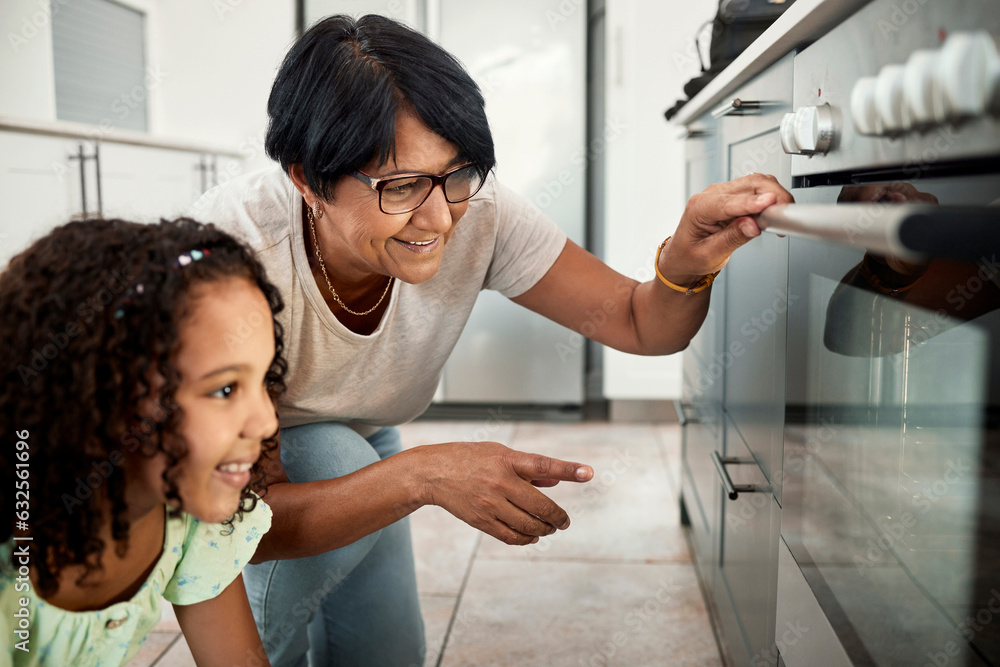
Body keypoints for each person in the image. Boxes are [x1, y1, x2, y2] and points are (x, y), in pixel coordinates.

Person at [192, 13, 793, 667]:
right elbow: (241, 521)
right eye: (399, 186)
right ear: (307, 180)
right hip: (254, 460)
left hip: (370, 432)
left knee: (389, 651)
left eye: (457, 174)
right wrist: (422, 474)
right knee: (325, 478)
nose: (438, 217)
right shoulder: (234, 252)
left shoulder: (477, 209)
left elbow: (640, 322)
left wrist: (684, 262)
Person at [0, 218, 286, 666]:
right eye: (224, 389)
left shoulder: (188, 520)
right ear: (101, 393)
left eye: (263, 379)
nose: (266, 422)